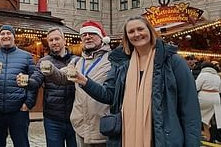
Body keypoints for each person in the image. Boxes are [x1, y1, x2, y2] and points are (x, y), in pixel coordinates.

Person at [69, 16, 201, 146]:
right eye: (131, 32)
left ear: (150, 31)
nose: (136, 34)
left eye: (140, 29)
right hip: (127, 136)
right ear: (127, 37)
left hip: (164, 138)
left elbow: (190, 109)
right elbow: (109, 95)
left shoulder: (173, 61)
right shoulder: (121, 65)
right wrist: (84, 81)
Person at [46, 20, 112, 147]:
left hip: (104, 127)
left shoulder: (112, 60)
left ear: (102, 37)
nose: (87, 37)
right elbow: (62, 77)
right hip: (81, 127)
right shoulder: (77, 62)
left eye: (92, 33)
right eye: (84, 35)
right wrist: (50, 70)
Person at [17, 27, 77, 147]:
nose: (54, 42)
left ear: (64, 40)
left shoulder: (77, 61)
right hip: (53, 118)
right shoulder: (44, 61)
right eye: (51, 40)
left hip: (75, 117)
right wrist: (28, 81)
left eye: (57, 39)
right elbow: (36, 81)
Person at [0, 24, 37, 147]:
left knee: (21, 144)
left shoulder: (26, 56)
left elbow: (34, 81)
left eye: (8, 33)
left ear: (14, 37)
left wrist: (28, 104)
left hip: (18, 111)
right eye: (2, 34)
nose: (5, 36)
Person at [196, 61, 221, 142]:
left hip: (204, 97)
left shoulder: (203, 74)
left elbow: (196, 87)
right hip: (216, 98)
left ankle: (204, 135)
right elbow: (220, 90)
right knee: (213, 119)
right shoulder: (217, 76)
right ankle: (212, 137)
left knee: (200, 116)